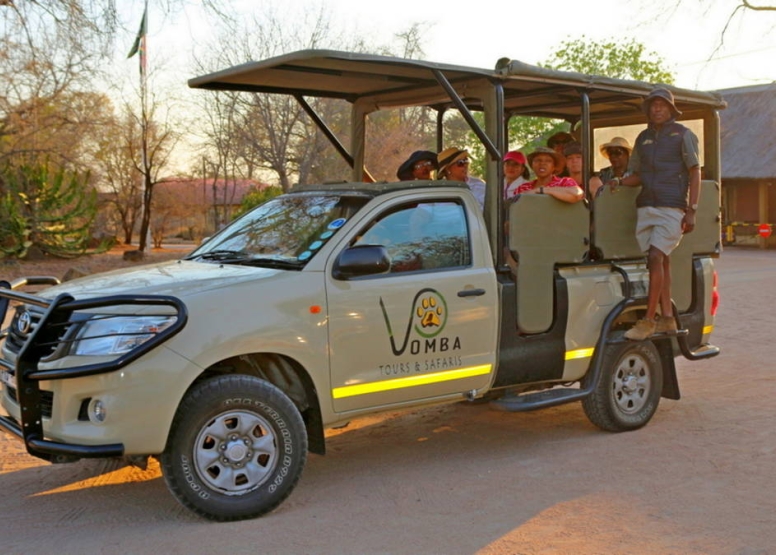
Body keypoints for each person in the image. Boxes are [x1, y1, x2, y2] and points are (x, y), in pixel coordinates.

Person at [610, 87, 701, 341]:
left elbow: (695, 171)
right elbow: (637, 175)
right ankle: (668, 319)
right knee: (662, 260)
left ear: (671, 109)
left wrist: (692, 210)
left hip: (672, 206)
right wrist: (618, 183)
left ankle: (649, 320)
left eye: (662, 105)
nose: (657, 109)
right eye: (653, 105)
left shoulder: (683, 135)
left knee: (655, 256)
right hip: (646, 205)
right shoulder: (642, 138)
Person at [514, 147, 584, 203]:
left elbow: (577, 194)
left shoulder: (564, 182)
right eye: (538, 160)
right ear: (532, 165)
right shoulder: (522, 188)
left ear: (554, 166)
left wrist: (541, 190)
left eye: (548, 161)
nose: (542, 163)